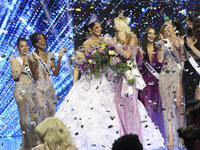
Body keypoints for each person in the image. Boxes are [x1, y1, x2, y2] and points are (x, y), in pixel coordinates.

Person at [55, 14, 121, 150]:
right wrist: (74, 84)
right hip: (90, 79)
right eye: (96, 27)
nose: (99, 29)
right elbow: (81, 65)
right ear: (90, 30)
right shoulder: (86, 44)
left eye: (100, 27)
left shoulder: (105, 41)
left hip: (103, 78)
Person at [105, 12, 165, 149]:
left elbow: (127, 54)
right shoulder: (116, 40)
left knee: (131, 110)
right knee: (120, 109)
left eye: (115, 25)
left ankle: (135, 142)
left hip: (130, 78)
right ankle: (124, 141)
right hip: (120, 77)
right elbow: (115, 60)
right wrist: (113, 60)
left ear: (120, 25)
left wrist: (115, 46)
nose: (114, 28)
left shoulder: (132, 37)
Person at [158, 19, 185, 148]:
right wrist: (162, 46)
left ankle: (181, 135)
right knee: (167, 107)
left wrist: (181, 46)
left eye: (168, 27)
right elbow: (159, 60)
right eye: (164, 28)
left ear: (174, 28)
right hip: (165, 75)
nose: (166, 29)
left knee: (179, 106)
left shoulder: (178, 40)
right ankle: (170, 137)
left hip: (177, 74)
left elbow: (182, 59)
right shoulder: (163, 42)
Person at [29, 33, 67, 123]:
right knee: (42, 113)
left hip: (49, 88)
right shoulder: (31, 57)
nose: (43, 41)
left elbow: (55, 73)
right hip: (38, 89)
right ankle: (43, 136)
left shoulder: (50, 55)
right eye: (40, 39)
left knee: (53, 112)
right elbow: (35, 76)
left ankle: (53, 135)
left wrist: (60, 58)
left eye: (44, 38)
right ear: (35, 42)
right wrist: (37, 61)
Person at [10, 37, 39, 149]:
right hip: (20, 90)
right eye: (22, 46)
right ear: (18, 48)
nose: (25, 48)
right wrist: (24, 65)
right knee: (24, 118)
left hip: (32, 89)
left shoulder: (32, 59)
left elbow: (37, 75)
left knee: (35, 116)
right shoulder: (14, 61)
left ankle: (36, 142)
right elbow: (15, 76)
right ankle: (27, 145)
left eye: (26, 45)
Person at [138, 26, 165, 139]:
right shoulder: (141, 49)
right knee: (146, 109)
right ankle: (147, 136)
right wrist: (140, 56)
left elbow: (162, 65)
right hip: (145, 85)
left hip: (157, 84)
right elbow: (139, 67)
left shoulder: (158, 49)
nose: (152, 36)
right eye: (149, 33)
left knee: (156, 109)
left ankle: (158, 136)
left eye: (154, 33)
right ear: (146, 34)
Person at [183, 11, 200, 103]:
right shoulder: (187, 36)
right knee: (189, 99)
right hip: (188, 70)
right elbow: (183, 56)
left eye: (188, 20)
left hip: (198, 70)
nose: (186, 22)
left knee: (197, 99)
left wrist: (191, 46)